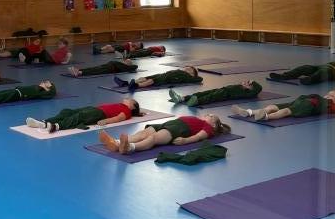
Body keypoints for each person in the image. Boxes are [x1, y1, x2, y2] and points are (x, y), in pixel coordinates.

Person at [99, 113, 230, 155]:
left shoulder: (208, 127)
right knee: (143, 133)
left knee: (153, 138)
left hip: (180, 129)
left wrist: (185, 141)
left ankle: (129, 147)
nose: (208, 115)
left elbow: (199, 136)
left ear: (214, 124)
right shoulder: (199, 119)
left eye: (211, 116)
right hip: (170, 123)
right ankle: (116, 143)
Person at [25, 97, 139, 133]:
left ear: (133, 106)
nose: (128, 98)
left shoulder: (127, 111)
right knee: (67, 112)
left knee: (79, 116)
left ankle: (55, 126)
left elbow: (118, 118)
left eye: (131, 100)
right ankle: (45, 122)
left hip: (100, 114)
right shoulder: (121, 105)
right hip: (95, 109)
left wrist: (106, 121)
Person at [232, 91, 335, 122]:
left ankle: (266, 117)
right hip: (304, 99)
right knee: (272, 106)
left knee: (286, 111)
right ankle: (248, 112)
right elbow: (330, 93)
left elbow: (330, 94)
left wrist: (330, 95)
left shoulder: (331, 104)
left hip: (310, 104)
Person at [168, 79, 262, 106]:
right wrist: (249, 83)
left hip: (226, 94)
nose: (245, 83)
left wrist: (253, 81)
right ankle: (182, 98)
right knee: (202, 93)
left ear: (250, 89)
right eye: (246, 82)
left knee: (211, 97)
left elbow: (259, 88)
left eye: (248, 84)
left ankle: (197, 102)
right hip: (222, 89)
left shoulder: (247, 93)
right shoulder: (240, 86)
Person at [114, 66, 202, 92]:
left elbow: (199, 79)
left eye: (191, 69)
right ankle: (125, 83)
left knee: (152, 81)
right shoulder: (181, 71)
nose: (188, 68)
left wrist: (193, 74)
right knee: (145, 78)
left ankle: (136, 85)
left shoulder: (188, 77)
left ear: (192, 73)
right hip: (164, 74)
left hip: (168, 78)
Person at [269, 63, 335, 85]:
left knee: (325, 71)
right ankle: (284, 76)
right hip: (324, 66)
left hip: (331, 70)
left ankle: (310, 79)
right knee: (306, 67)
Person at [66, 60, 138, 77]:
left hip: (110, 69)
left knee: (96, 71)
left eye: (127, 61)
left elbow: (135, 66)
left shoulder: (126, 67)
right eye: (125, 61)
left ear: (128, 64)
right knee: (93, 68)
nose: (125, 61)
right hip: (107, 65)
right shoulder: (122, 64)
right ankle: (78, 70)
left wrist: (129, 64)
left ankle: (80, 73)